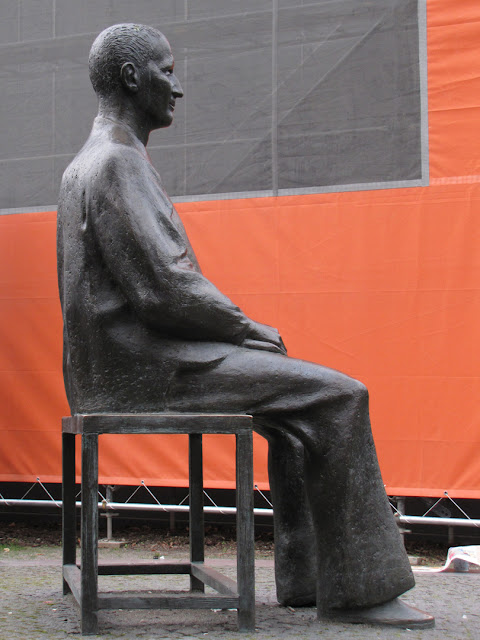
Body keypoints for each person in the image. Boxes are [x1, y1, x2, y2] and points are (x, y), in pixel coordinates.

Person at [57, 23, 434, 628]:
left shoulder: (95, 160)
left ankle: (310, 579)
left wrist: (239, 332)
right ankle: (365, 592)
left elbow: (158, 289)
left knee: (291, 406)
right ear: (132, 77)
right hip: (140, 369)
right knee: (339, 396)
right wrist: (244, 328)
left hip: (120, 363)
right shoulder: (114, 163)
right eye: (167, 70)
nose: (177, 88)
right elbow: (164, 289)